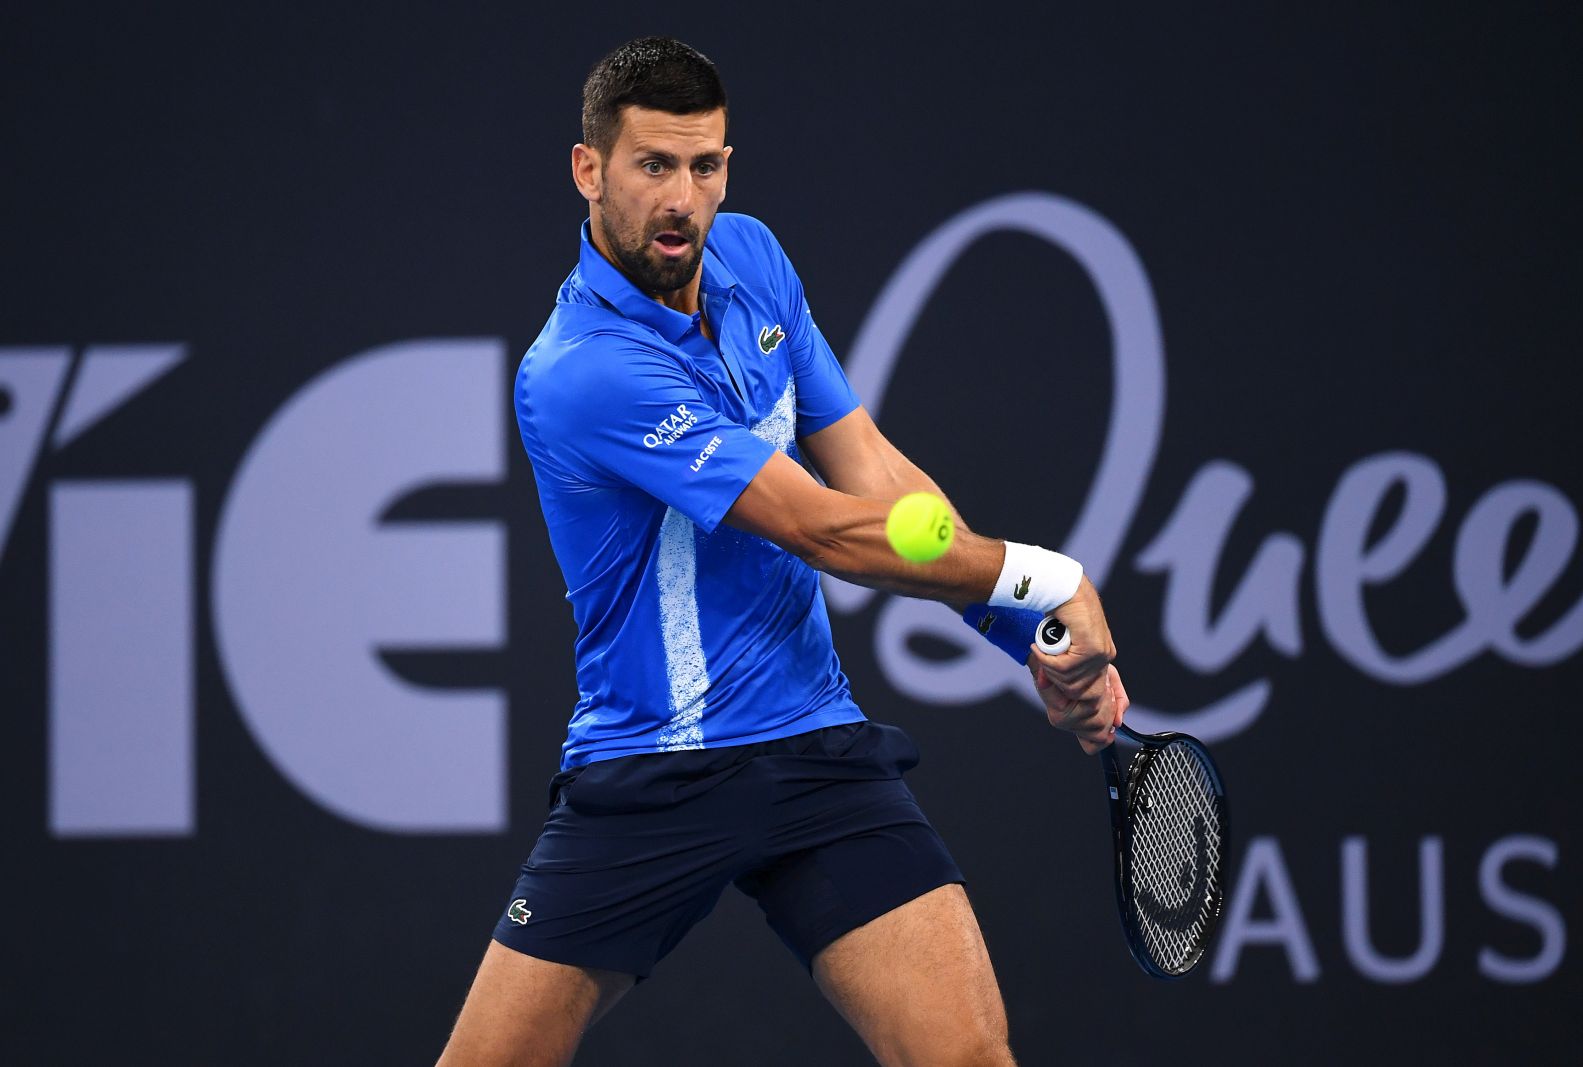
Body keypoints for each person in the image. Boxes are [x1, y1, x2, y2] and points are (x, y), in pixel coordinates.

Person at [437, 36, 1129, 1067]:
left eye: (705, 166)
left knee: (969, 1058)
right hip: (650, 769)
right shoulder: (581, 370)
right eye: (653, 166)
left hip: (812, 748)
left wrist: (1023, 625)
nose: (683, 199)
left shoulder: (752, 258)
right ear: (589, 169)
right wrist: (1049, 575)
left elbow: (875, 475)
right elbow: (821, 528)